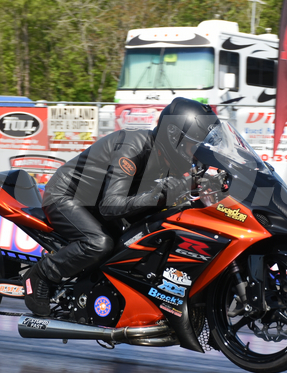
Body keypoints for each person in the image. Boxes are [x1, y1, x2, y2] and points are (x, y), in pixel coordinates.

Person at [23, 97, 220, 316]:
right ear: (174, 137)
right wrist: (161, 195)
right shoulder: (133, 147)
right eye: (194, 144)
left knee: (139, 240)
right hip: (67, 195)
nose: (197, 151)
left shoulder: (171, 158)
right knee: (99, 243)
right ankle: (41, 274)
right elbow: (111, 206)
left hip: (96, 203)